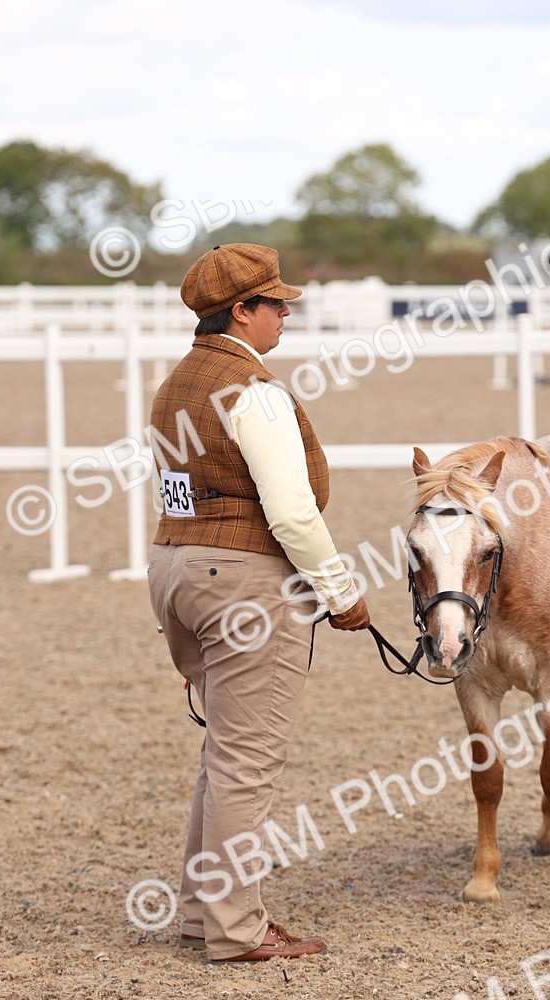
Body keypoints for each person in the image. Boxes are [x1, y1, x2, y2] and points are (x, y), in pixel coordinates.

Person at [147, 243, 370, 963]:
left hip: (175, 567)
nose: (285, 316)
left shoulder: (175, 385)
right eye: (275, 304)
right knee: (246, 761)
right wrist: (341, 592)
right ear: (241, 311)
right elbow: (293, 514)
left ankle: (198, 913)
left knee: (221, 755)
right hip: (241, 579)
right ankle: (237, 929)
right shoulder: (255, 391)